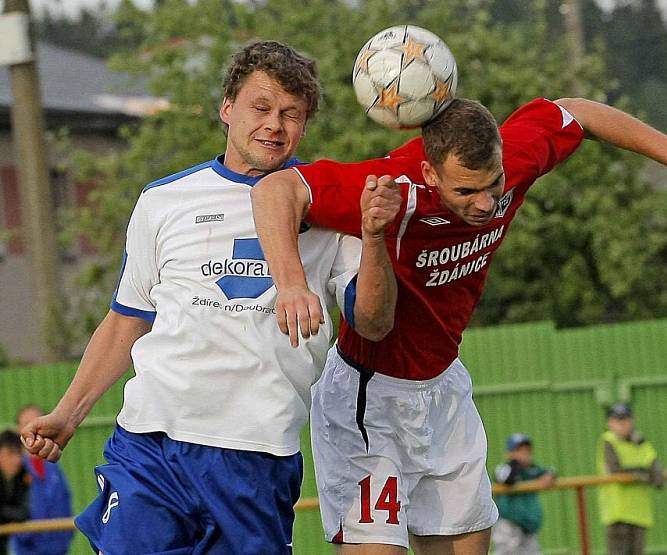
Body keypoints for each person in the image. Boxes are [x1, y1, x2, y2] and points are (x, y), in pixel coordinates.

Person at [250, 95, 667, 554]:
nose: (485, 203)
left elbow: (580, 111)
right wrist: (292, 282)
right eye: (466, 192)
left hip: (445, 390)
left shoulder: (514, 158)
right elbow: (276, 189)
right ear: (431, 175)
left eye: (493, 185)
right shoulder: (390, 188)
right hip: (369, 396)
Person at [19, 40, 401, 555]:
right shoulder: (164, 200)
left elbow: (373, 321)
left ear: (305, 126)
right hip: (152, 441)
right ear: (227, 107)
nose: (274, 125)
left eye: (291, 114)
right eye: (260, 107)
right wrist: (67, 414)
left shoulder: (331, 208)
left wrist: (376, 236)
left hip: (257, 455)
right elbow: (126, 321)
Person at [597, 402, 665, 555]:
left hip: (639, 513)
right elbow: (616, 471)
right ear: (610, 423)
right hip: (618, 513)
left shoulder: (641, 442)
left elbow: (655, 467)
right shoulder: (608, 441)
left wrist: (651, 475)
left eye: (625, 419)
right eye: (618, 420)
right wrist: (644, 475)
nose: (623, 424)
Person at [11, 405, 73, 555]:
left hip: (58, 549)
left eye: (37, 422)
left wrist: (65, 536)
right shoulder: (13, 471)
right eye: (26, 423)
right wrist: (25, 535)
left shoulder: (54, 468)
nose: (33, 429)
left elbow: (64, 500)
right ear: (19, 429)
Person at [492, 433, 556, 555]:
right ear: (509, 453)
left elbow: (551, 470)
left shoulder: (532, 470)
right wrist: (515, 462)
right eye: (519, 450)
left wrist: (550, 475)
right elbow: (507, 479)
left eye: (527, 450)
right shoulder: (504, 468)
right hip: (508, 526)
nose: (524, 453)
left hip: (528, 527)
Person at [0, 429, 29, 555]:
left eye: (19, 454)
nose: (16, 460)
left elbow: (24, 512)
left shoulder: (22, 475)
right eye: (10, 454)